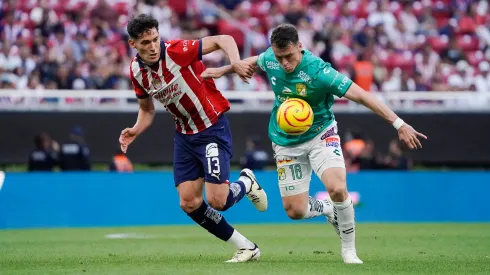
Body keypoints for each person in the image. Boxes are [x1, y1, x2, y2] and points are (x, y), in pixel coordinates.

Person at [201, 23, 427, 264]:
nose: (284, 63)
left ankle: (349, 251)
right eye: (280, 57)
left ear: (300, 47)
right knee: (295, 211)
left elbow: (361, 95)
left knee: (338, 188)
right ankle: (328, 209)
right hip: (285, 141)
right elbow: (256, 61)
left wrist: (399, 124)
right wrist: (223, 70)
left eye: (289, 56)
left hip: (321, 134)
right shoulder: (271, 59)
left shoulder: (319, 72)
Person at [118, 14, 267, 263]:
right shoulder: (136, 72)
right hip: (184, 136)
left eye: (155, 39)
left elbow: (224, 39)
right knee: (188, 202)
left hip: (211, 128)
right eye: (146, 43)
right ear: (133, 44)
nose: (153, 47)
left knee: (218, 201)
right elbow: (147, 109)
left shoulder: (176, 51)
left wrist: (236, 62)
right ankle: (247, 247)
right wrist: (136, 129)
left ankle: (246, 183)